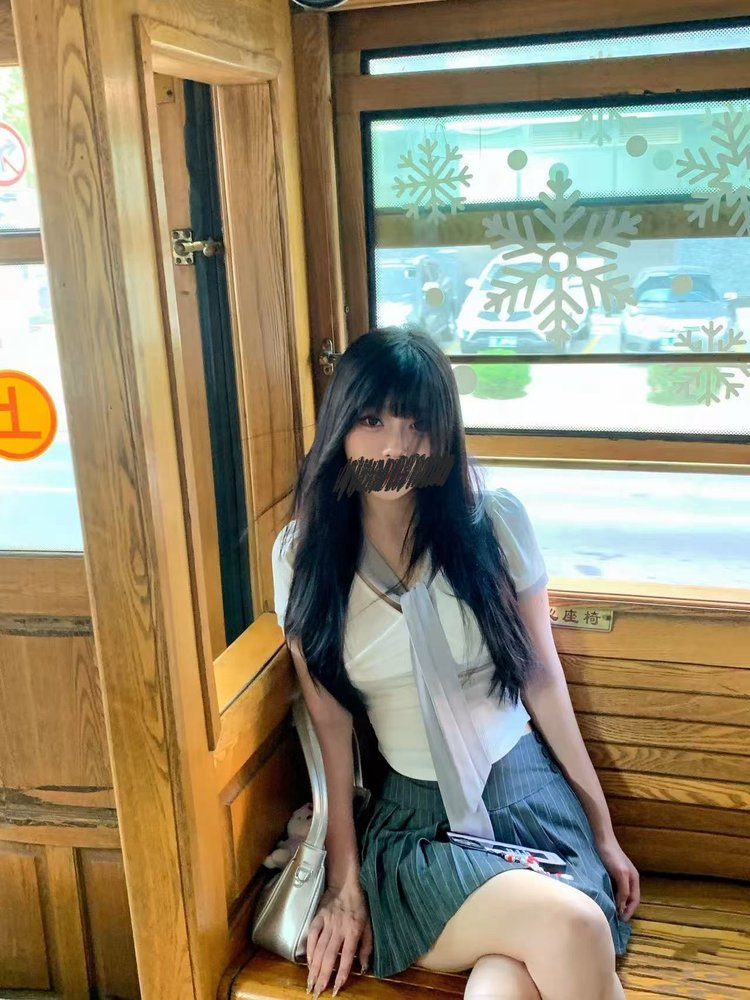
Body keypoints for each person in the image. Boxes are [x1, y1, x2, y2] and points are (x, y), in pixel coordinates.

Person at [271, 328, 638, 1000]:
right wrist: (345, 881)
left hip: (530, 803)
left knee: (504, 984)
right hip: (418, 829)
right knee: (573, 927)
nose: (396, 448)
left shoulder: (492, 522)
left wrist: (603, 829)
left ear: (444, 434)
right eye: (372, 420)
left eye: (418, 425)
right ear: (339, 427)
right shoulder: (303, 556)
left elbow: (542, 680)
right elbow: (330, 728)